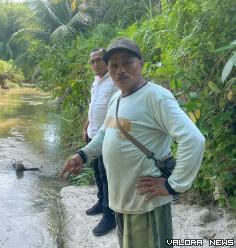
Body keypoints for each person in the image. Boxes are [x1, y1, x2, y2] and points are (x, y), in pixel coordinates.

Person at [61, 38, 205, 247]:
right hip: (123, 199)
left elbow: (193, 139)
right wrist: (82, 155)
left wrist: (173, 186)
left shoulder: (156, 97)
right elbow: (103, 133)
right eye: (114, 65)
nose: (120, 70)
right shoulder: (117, 98)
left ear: (141, 64)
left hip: (146, 203)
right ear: (109, 70)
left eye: (127, 63)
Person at [82, 48, 118, 236]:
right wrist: (86, 126)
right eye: (92, 61)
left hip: (107, 136)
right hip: (92, 133)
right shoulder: (96, 82)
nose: (94, 64)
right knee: (97, 171)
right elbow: (93, 106)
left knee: (106, 175)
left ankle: (109, 215)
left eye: (98, 60)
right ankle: (100, 200)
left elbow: (117, 110)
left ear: (106, 61)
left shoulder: (114, 82)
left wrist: (108, 135)